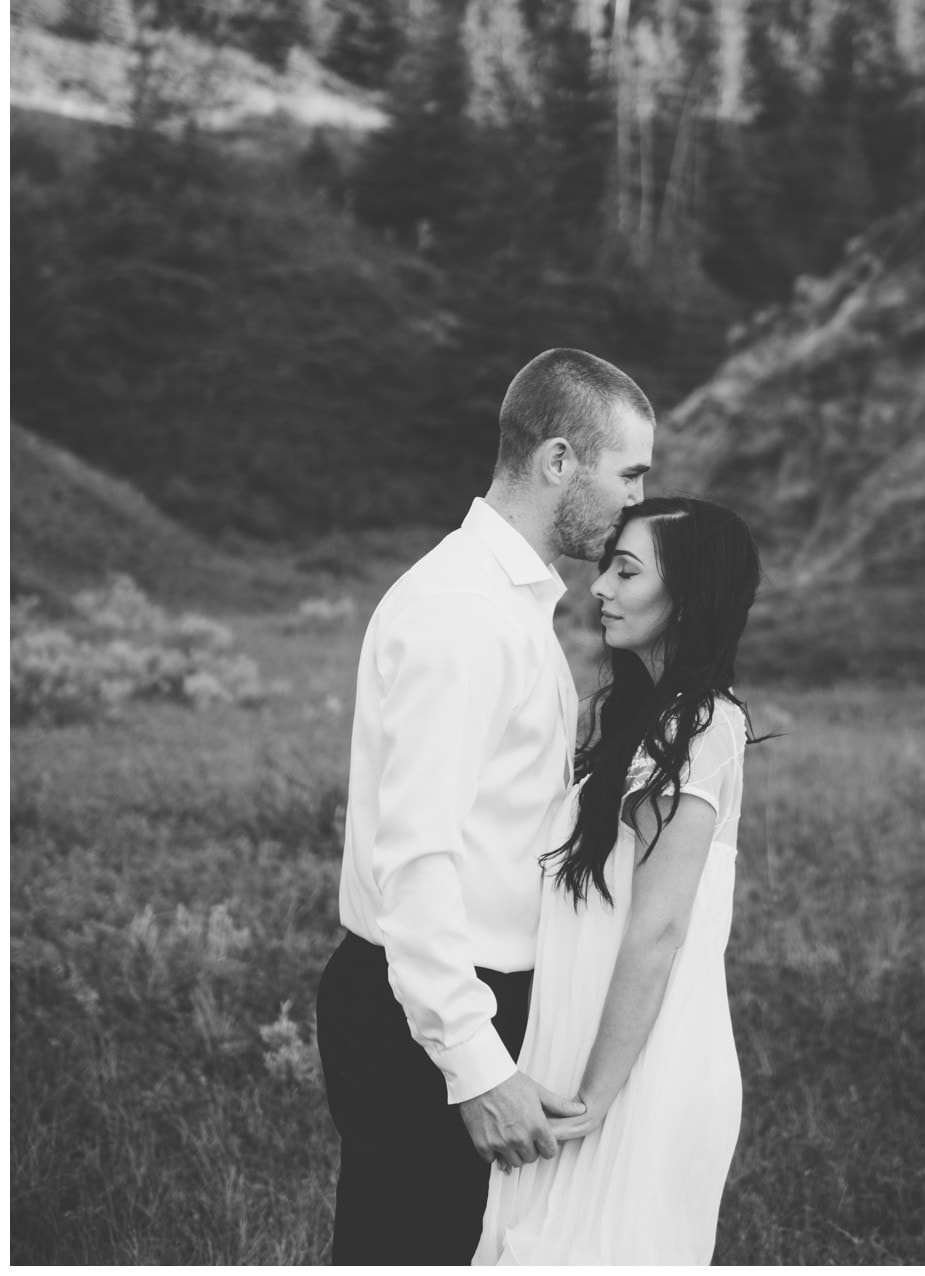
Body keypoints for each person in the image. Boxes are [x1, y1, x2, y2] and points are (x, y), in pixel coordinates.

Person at [316, 349, 655, 1265]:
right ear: (557, 462)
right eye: (629, 473)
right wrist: (474, 1067)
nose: (636, 501)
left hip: (465, 1001)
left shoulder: (510, 605)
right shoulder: (462, 614)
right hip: (424, 1017)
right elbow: (415, 861)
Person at [473, 495, 762, 1266]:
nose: (600, 586)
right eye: (606, 567)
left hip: (641, 1069)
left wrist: (597, 1095)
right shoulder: (645, 721)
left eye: (627, 571)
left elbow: (660, 929)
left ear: (687, 596)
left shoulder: (703, 727)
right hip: (584, 1048)